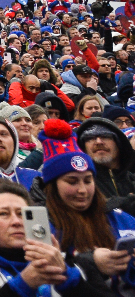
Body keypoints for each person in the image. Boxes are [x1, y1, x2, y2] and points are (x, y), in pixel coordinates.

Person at [37, 119, 135, 290]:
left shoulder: (119, 217)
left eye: (88, 180)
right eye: (72, 181)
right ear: (53, 186)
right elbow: (42, 282)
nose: (82, 190)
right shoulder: (41, 225)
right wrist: (90, 263)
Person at [0, 179, 100, 297]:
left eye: (22, 214)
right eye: (3, 214)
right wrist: (22, 285)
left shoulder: (70, 264)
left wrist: (68, 280)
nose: (16, 221)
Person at [74, 116, 135, 210]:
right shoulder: (78, 183)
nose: (98, 142)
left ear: (119, 144)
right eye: (90, 138)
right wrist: (117, 205)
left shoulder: (132, 181)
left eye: (105, 136)